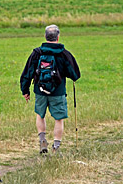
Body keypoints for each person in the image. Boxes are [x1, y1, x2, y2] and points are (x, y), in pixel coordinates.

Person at [20, 25, 81, 154]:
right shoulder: (64, 54)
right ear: (58, 37)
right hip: (58, 92)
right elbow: (75, 74)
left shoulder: (37, 53)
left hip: (40, 90)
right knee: (58, 119)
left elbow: (27, 73)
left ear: (45, 37)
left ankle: (42, 140)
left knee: (40, 115)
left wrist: (25, 90)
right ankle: (56, 146)